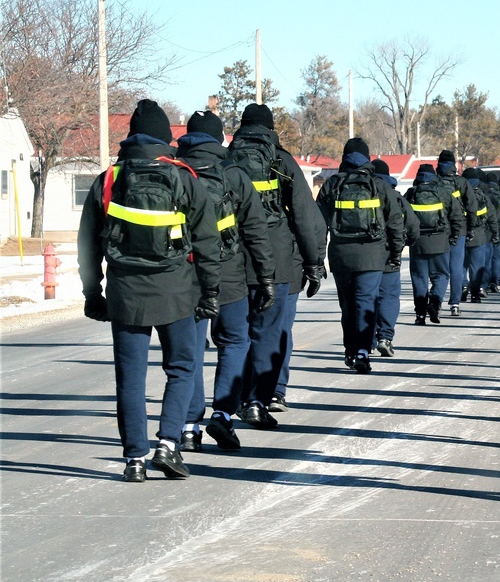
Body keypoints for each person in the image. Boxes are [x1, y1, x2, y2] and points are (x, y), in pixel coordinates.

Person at [77, 99, 222, 482]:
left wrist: (93, 293)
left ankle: (135, 459)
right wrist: (210, 292)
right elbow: (207, 241)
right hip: (177, 291)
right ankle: (168, 444)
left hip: (126, 294)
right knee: (182, 368)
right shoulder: (183, 177)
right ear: (165, 138)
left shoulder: (109, 179)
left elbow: (87, 243)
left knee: (130, 377)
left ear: (129, 137)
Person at [176, 111, 276, 453]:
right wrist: (265, 276)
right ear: (219, 139)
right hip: (229, 275)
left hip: (183, 277)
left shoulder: (173, 172)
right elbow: (255, 231)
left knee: (188, 353)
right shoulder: (233, 174)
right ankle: (222, 413)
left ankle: (189, 427)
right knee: (234, 342)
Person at [228, 103, 326, 428]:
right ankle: (259, 400)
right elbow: (305, 216)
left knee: (237, 335)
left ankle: (232, 400)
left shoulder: (225, 161)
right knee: (269, 332)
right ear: (272, 129)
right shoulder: (282, 162)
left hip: (234, 258)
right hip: (279, 259)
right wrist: (314, 263)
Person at [317, 137, 405, 373]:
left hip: (341, 255)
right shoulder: (379, 185)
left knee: (348, 306)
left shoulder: (332, 184)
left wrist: (316, 257)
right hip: (373, 256)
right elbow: (395, 222)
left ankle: (350, 350)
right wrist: (395, 252)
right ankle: (364, 352)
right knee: (366, 303)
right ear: (368, 158)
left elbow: (317, 224)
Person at [404, 163, 462, 325]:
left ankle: (420, 314)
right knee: (441, 275)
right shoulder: (444, 193)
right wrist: (454, 235)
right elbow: (456, 216)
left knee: (419, 278)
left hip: (418, 243)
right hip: (440, 241)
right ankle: (435, 303)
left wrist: (407, 237)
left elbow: (402, 216)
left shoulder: (411, 193)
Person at [373, 159, 419, 357]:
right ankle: (385, 337)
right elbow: (413, 226)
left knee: (365, 297)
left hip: (362, 255)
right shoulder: (396, 196)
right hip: (389, 255)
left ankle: (365, 341)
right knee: (389, 296)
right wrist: (403, 245)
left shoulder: (364, 190)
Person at [435, 151, 476, 315]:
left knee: (438, 271)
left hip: (437, 232)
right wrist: (471, 228)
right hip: (459, 230)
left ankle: (436, 302)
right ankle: (454, 303)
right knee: (456, 267)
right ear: (453, 164)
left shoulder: (433, 181)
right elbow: (472, 208)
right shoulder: (462, 182)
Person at [459, 167, 496, 308]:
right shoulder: (483, 196)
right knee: (477, 266)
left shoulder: (459, 194)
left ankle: (462, 286)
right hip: (480, 236)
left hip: (462, 234)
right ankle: (475, 293)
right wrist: (495, 233)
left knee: (461, 265)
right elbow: (491, 217)